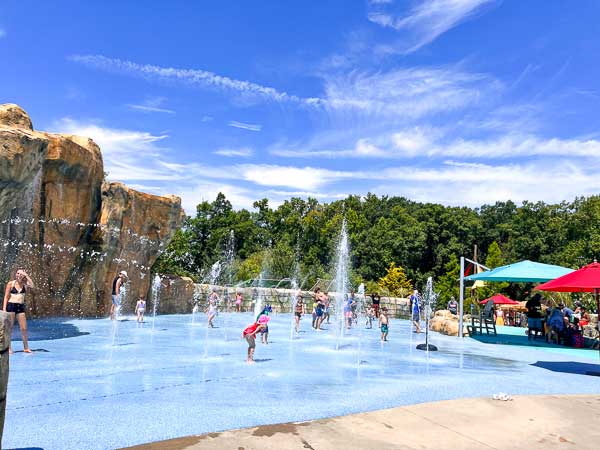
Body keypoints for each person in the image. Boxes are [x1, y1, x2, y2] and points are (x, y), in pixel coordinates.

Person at [3, 268, 34, 353]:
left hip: (20, 307)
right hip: (11, 306)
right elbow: (6, 297)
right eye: (17, 273)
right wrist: (4, 309)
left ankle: (26, 347)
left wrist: (26, 275)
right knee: (10, 328)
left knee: (24, 328)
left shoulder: (25, 284)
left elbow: (32, 285)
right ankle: (8, 348)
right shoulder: (11, 284)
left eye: (20, 274)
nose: (18, 275)